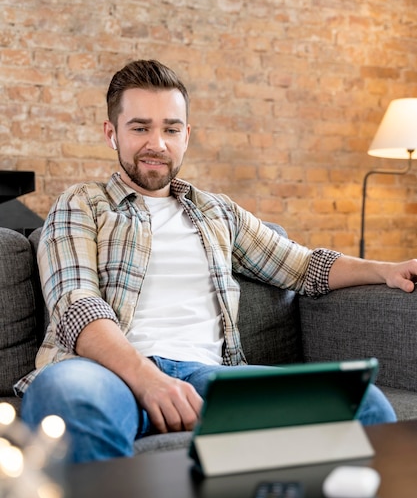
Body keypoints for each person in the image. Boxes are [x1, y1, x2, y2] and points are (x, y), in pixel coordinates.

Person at [16, 59, 417, 463]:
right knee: (64, 397)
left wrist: (386, 270)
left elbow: (304, 266)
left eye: (171, 129)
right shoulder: (82, 203)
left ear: (186, 136)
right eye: (140, 128)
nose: (157, 143)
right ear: (111, 133)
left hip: (210, 377)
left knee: (362, 405)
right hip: (103, 374)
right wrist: (150, 381)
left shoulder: (217, 213)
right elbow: (76, 304)